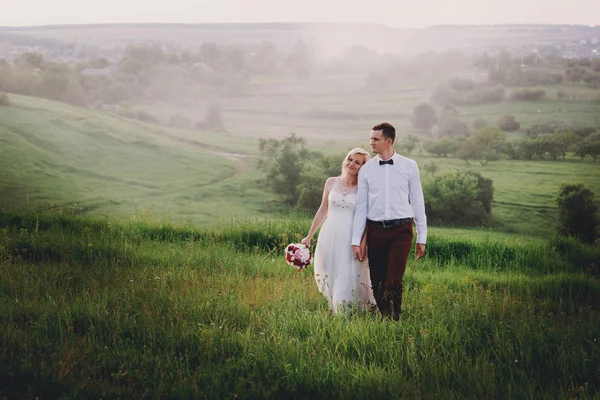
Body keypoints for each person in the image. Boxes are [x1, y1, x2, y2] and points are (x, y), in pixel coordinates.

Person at [351, 122, 427, 320]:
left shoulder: (409, 166)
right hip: (375, 230)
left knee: (393, 279)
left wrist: (422, 236)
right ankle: (384, 318)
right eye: (371, 138)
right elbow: (361, 207)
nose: (371, 143)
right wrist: (355, 240)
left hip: (401, 230)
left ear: (388, 141)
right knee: (377, 280)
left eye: (376, 139)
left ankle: (394, 320)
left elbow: (418, 202)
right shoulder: (366, 170)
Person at [301, 148, 376, 314]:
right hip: (329, 234)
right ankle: (332, 305)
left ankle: (345, 311)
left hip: (350, 237)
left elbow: (366, 219)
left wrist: (362, 242)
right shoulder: (331, 182)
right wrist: (309, 235)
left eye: (357, 162)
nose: (352, 164)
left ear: (363, 167)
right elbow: (323, 210)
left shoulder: (364, 188)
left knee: (348, 272)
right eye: (350, 159)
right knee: (329, 268)